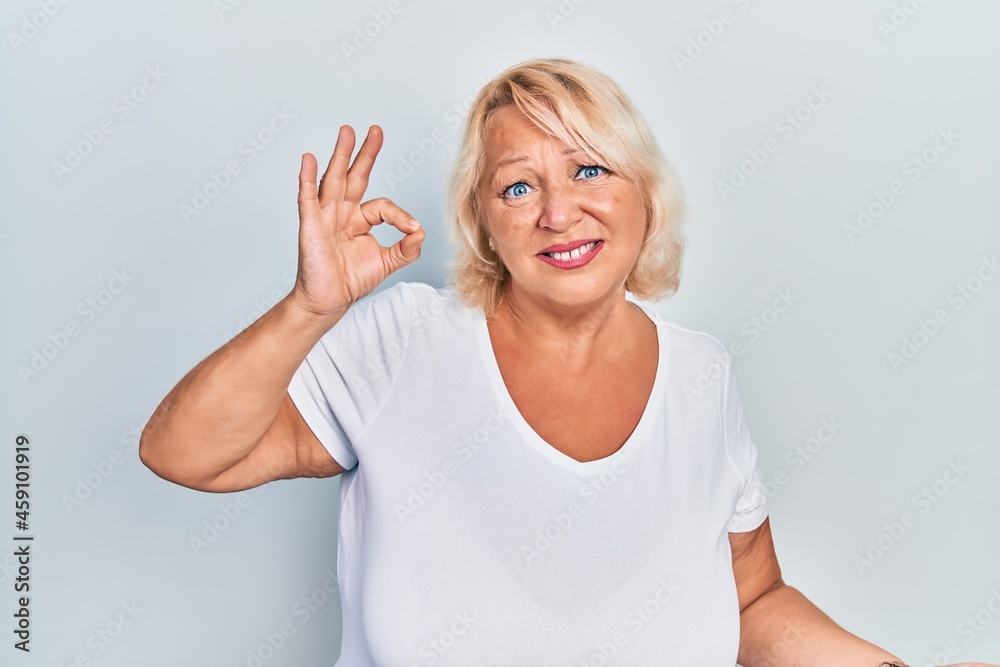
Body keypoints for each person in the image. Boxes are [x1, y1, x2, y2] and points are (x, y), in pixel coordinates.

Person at [139, 57, 995, 666]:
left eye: (589, 169)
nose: (558, 212)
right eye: (518, 186)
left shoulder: (702, 375)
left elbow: (752, 598)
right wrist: (310, 308)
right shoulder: (406, 340)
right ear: (485, 223)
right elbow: (183, 453)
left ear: (644, 196)